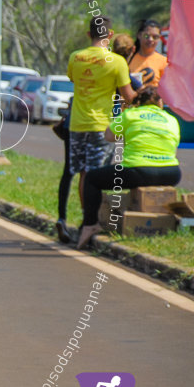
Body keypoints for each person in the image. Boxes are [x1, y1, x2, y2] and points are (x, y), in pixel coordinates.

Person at [77, 87, 181, 248]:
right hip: (171, 172)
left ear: (137, 102)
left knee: (92, 178)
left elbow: (109, 136)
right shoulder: (171, 120)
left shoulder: (130, 115)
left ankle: (90, 224)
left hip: (138, 170)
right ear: (160, 103)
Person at [66, 15, 136, 232]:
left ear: (89, 34)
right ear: (110, 35)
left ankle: (87, 218)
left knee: (83, 174)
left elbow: (74, 80)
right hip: (100, 125)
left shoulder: (75, 57)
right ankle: (92, 221)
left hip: (77, 124)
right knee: (96, 174)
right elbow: (128, 96)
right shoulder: (117, 62)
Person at [128, 19, 168, 88]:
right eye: (146, 36)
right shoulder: (129, 58)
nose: (150, 39)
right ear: (139, 35)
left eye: (155, 37)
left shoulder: (164, 62)